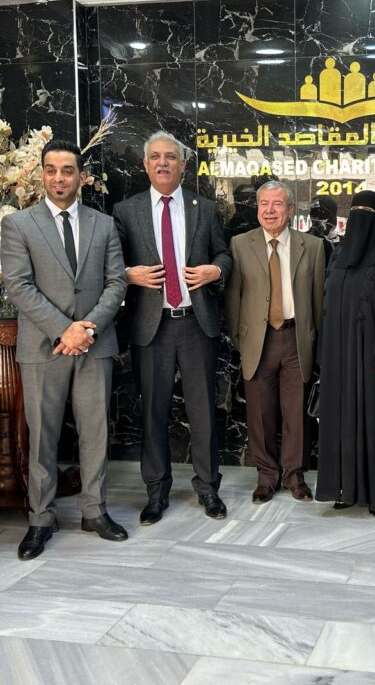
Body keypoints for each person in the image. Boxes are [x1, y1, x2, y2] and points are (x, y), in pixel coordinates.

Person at [1, 139, 127, 560]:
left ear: (81, 177)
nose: (59, 178)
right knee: (42, 436)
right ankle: (40, 519)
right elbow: (18, 286)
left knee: (96, 433)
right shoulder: (18, 224)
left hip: (94, 343)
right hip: (44, 347)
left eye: (68, 170)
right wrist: (63, 330)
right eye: (52, 170)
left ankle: (95, 511)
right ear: (42, 174)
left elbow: (116, 282)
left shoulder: (103, 224)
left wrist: (86, 329)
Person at [113, 131, 233, 524]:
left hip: (197, 324)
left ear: (183, 164)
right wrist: (129, 274)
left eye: (170, 157)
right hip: (152, 327)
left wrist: (215, 270)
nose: (163, 163)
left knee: (203, 413)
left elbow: (224, 254)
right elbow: (110, 263)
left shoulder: (204, 207)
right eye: (155, 157)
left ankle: (208, 489)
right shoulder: (126, 210)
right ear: (145, 164)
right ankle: (156, 493)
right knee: (153, 414)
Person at [225, 181, 326, 503]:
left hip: (297, 340)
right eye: (264, 204)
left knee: (296, 414)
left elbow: (318, 300)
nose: (269, 211)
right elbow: (233, 296)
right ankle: (266, 477)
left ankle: (294, 477)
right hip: (258, 341)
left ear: (290, 210)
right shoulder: (240, 244)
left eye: (277, 204)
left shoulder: (313, 246)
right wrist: (240, 339)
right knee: (260, 414)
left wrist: (314, 338)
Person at [315, 190, 375, 513]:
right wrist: (323, 353)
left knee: (373, 421)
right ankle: (344, 489)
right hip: (337, 352)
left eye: (366, 211)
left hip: (370, 354)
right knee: (340, 421)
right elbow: (326, 303)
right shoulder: (338, 253)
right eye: (355, 210)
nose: (360, 217)